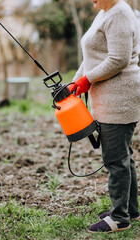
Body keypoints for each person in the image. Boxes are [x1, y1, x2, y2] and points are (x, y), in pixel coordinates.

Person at [68, 0, 140, 233]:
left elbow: (118, 58)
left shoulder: (118, 13)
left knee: (115, 160)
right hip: (110, 99)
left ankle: (120, 218)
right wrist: (76, 80)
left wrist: (87, 80)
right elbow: (93, 56)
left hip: (119, 100)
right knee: (123, 156)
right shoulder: (106, 11)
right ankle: (131, 209)